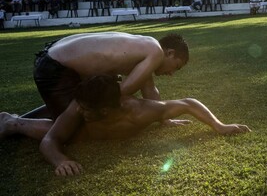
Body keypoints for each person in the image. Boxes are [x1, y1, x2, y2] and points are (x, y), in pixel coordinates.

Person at [0, 75, 250, 176]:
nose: (80, 110)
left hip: (100, 128)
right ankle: (13, 122)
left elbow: (188, 103)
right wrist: (60, 161)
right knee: (65, 133)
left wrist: (219, 126)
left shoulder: (142, 112)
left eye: (86, 109)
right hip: (83, 134)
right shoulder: (79, 108)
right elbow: (50, 141)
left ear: (106, 110)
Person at [22, 32, 189, 121]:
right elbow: (122, 91)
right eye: (176, 66)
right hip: (55, 68)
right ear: (170, 53)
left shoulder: (147, 46)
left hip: (53, 58)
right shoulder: (155, 52)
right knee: (77, 125)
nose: (171, 73)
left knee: (75, 109)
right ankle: (13, 124)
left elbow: (149, 89)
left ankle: (18, 120)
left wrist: (163, 119)